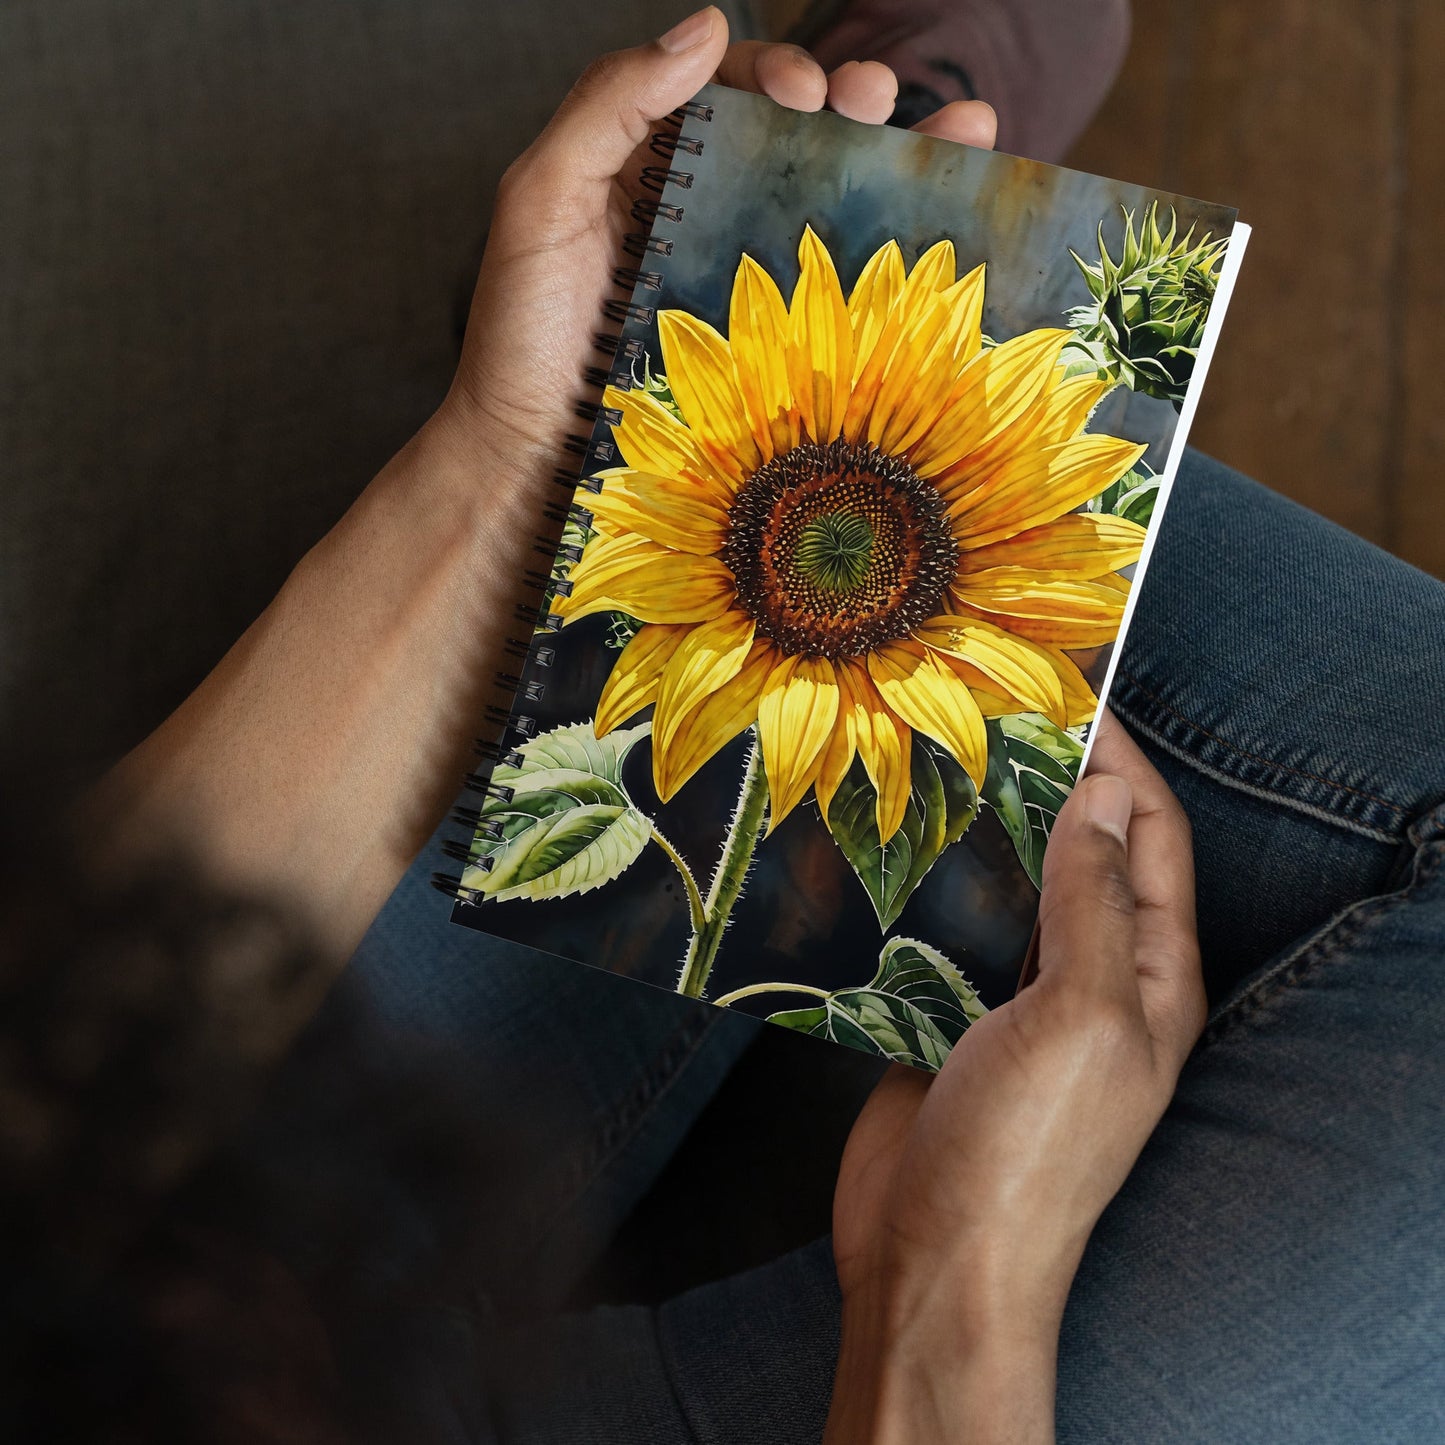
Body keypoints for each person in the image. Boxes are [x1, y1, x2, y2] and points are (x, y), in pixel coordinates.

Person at [4, 7, 1442, 1442]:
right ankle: (861, 255)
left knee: (641, 606)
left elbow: (47, 1087)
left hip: (138, 1300)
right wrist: (946, 1297)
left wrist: (501, 464)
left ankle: (753, 301)